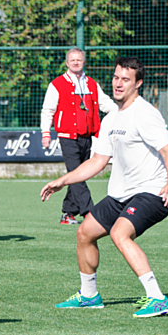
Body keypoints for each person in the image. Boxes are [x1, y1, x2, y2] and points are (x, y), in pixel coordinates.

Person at [40, 57, 168, 318]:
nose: (118, 83)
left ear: (138, 84)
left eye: (125, 79)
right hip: (121, 195)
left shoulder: (145, 113)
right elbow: (97, 162)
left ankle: (157, 297)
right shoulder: (111, 118)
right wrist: (63, 180)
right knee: (84, 233)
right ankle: (89, 295)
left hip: (152, 192)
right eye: (116, 78)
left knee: (119, 233)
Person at [40, 48, 118, 225]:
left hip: (87, 136)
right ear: (67, 63)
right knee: (77, 174)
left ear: (84, 62)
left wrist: (122, 112)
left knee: (77, 175)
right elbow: (48, 110)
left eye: (79, 60)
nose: (76, 62)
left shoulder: (91, 84)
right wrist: (46, 133)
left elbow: (105, 103)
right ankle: (90, 212)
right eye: (72, 60)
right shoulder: (57, 84)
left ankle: (68, 213)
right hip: (67, 137)